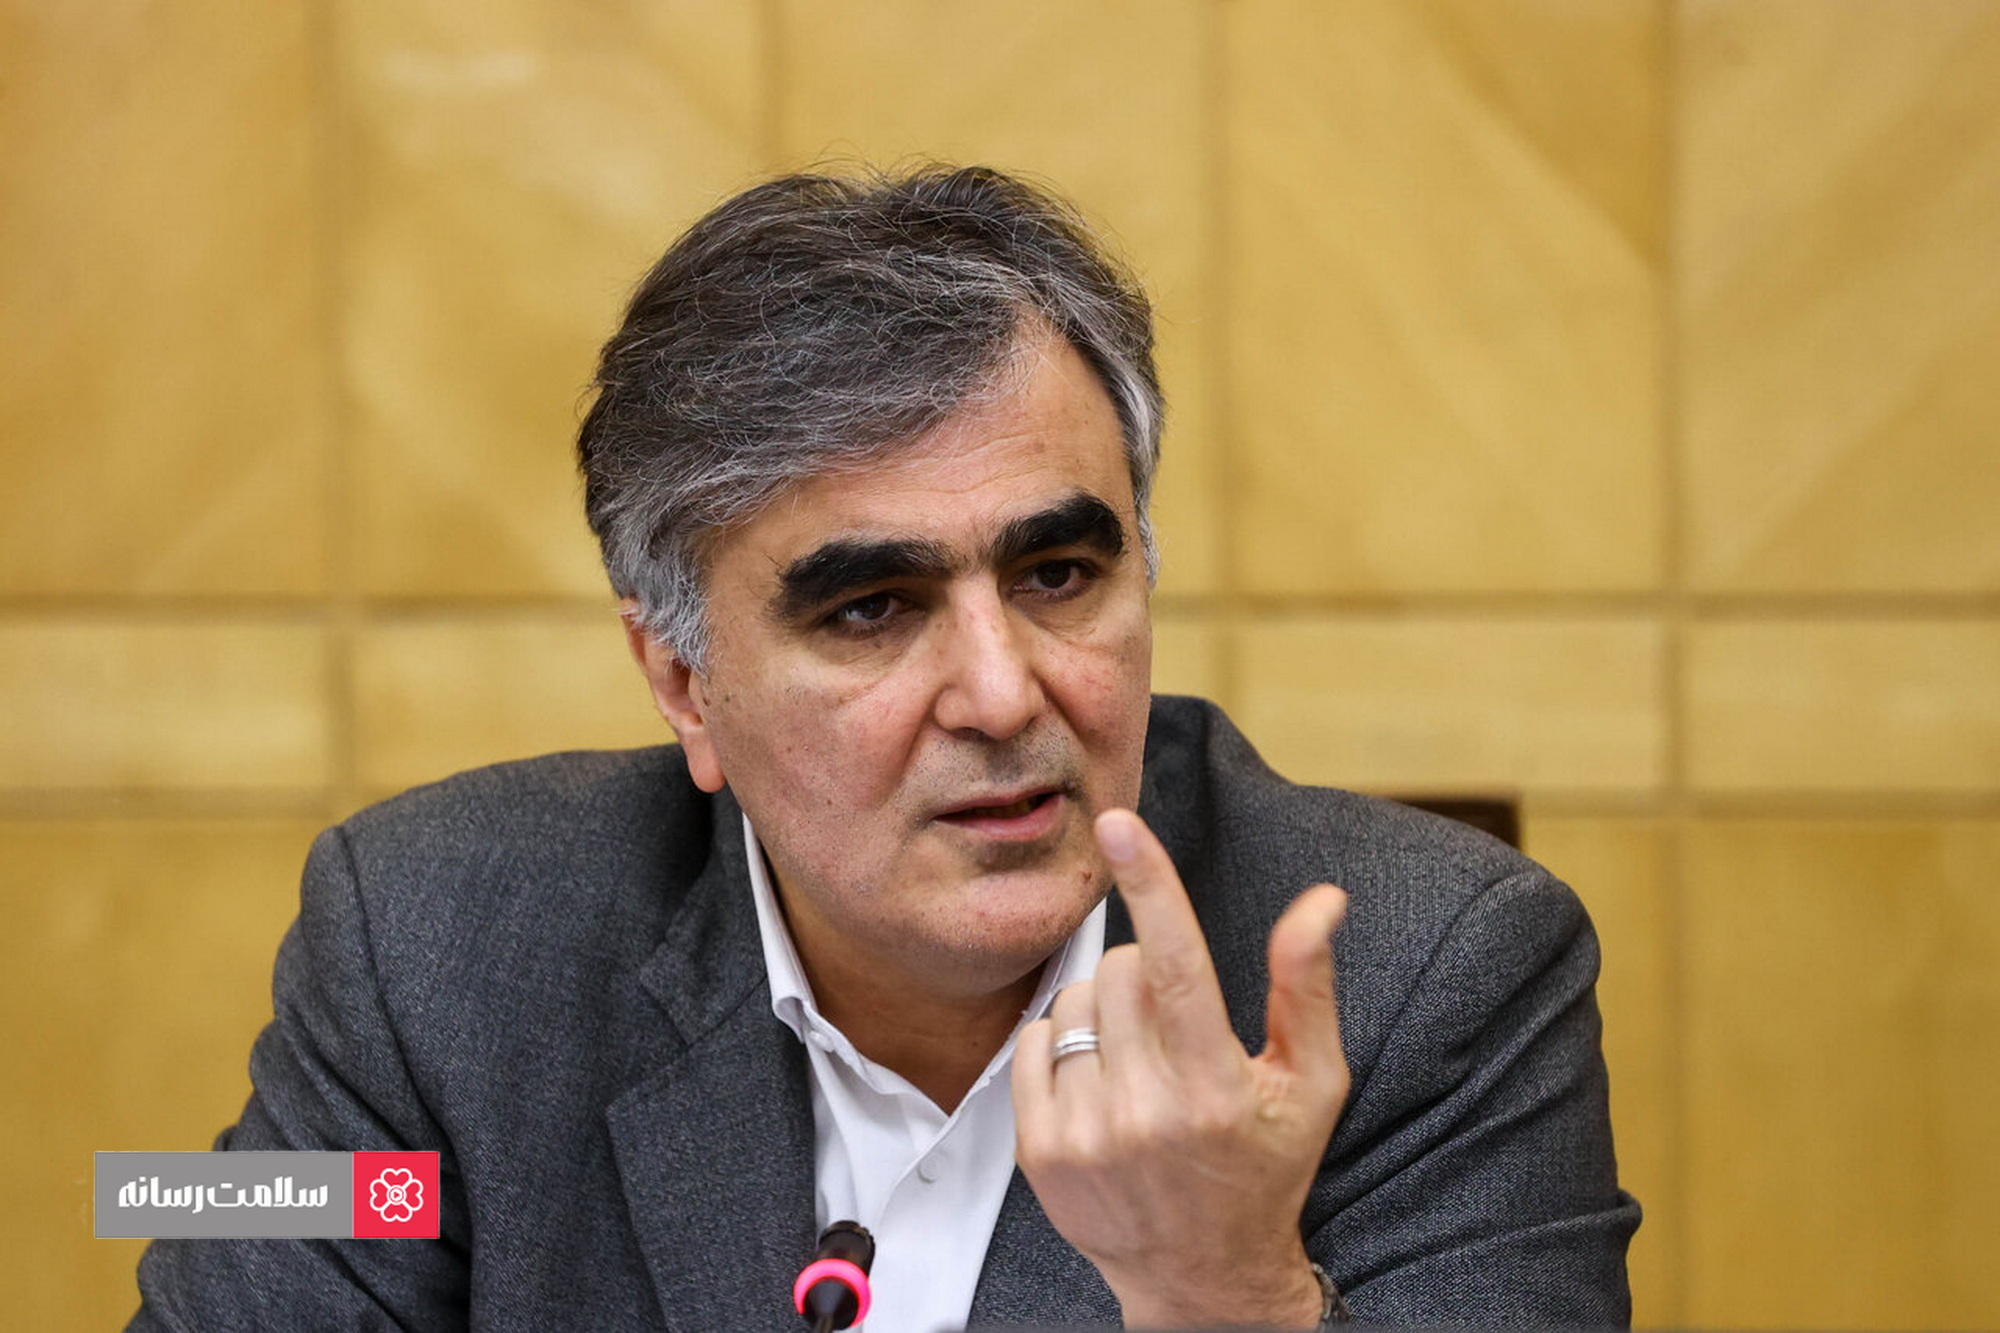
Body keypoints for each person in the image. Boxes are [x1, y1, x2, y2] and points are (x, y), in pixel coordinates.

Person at [131, 165, 1639, 1331]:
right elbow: (225, 1234)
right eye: (871, 608)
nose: (1000, 693)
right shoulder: (429, 939)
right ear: (683, 680)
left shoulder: (1436, 979)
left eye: (1060, 574)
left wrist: (1228, 1295)